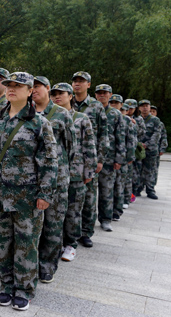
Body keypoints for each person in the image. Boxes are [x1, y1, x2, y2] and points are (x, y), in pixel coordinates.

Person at [0, 71, 57, 311]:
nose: (11, 89)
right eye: (9, 85)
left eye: (18, 86)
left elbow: (49, 161)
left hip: (27, 197)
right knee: (1, 243)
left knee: (26, 244)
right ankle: (6, 286)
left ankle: (24, 289)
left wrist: (45, 194)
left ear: (30, 91)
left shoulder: (39, 123)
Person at [33, 76, 77, 284]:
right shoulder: (26, 112)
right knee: (32, 226)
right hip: (32, 179)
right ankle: (30, 263)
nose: (34, 90)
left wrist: (62, 169)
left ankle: (47, 266)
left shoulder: (61, 114)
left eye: (38, 86)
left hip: (57, 179)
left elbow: (71, 146)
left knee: (53, 224)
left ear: (47, 89)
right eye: (31, 87)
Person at [50, 83, 96, 262]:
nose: (57, 97)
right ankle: (55, 243)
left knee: (73, 211)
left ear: (70, 96)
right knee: (55, 212)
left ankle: (71, 244)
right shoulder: (48, 117)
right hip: (55, 173)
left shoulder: (81, 118)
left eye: (61, 93)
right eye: (54, 94)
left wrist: (89, 171)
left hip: (76, 173)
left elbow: (89, 145)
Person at [71, 71, 107, 248]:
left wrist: (99, 159)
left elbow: (103, 134)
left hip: (88, 159)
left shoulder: (96, 106)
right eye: (75, 81)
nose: (77, 84)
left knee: (89, 197)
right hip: (70, 160)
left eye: (81, 81)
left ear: (88, 85)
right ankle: (71, 231)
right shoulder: (66, 102)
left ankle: (86, 232)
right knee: (72, 199)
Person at [94, 84, 125, 232]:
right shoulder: (91, 110)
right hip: (91, 157)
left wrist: (119, 159)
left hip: (109, 159)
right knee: (89, 194)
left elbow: (121, 137)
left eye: (104, 93)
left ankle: (106, 219)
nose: (102, 95)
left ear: (110, 95)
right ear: (95, 95)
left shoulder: (115, 114)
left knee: (106, 191)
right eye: (99, 93)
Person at [108, 95, 135, 219]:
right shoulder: (106, 116)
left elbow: (131, 140)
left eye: (116, 103)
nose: (113, 105)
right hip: (108, 157)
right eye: (112, 102)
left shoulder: (126, 120)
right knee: (109, 187)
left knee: (119, 185)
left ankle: (117, 211)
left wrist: (129, 157)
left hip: (121, 157)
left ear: (121, 105)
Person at [138, 100, 162, 200]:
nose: (145, 108)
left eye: (146, 106)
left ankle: (150, 190)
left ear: (149, 107)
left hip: (151, 150)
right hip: (138, 149)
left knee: (150, 170)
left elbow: (157, 134)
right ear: (139, 108)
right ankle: (138, 189)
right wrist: (139, 144)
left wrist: (147, 145)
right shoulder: (137, 119)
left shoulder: (155, 120)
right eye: (142, 106)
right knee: (138, 170)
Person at [124, 99, 146, 201]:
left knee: (135, 173)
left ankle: (133, 193)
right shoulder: (121, 116)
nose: (129, 110)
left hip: (135, 148)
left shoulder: (139, 119)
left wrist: (134, 124)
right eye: (127, 108)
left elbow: (142, 132)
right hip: (124, 148)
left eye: (131, 108)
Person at [151, 105, 168, 179]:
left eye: (153, 111)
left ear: (156, 113)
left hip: (155, 148)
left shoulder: (160, 124)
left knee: (154, 168)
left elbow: (163, 136)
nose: (152, 113)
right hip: (144, 148)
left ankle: (152, 183)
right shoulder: (142, 121)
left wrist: (162, 148)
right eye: (150, 111)